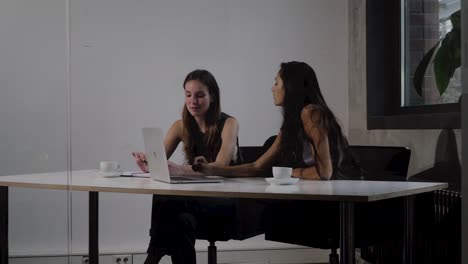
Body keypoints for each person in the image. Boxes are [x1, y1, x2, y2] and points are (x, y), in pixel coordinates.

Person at [132, 69, 242, 264]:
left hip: (226, 200)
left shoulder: (229, 123)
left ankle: (152, 257)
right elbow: (160, 162)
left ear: (213, 96)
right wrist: (147, 163)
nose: (193, 101)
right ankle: (154, 256)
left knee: (169, 203)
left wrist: (181, 170)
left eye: (200, 95)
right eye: (188, 95)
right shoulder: (180, 126)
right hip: (193, 202)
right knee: (180, 220)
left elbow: (221, 165)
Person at [193, 61, 359, 180]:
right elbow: (257, 167)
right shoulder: (291, 123)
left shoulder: (311, 113)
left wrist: (293, 172)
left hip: (346, 193)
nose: (272, 88)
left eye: (277, 82)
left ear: (291, 86)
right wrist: (211, 169)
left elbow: (324, 173)